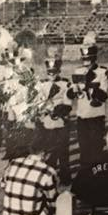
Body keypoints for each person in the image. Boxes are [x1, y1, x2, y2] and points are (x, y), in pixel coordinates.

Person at [0, 130, 59, 215]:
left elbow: (1, 184)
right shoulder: (48, 171)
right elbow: (53, 203)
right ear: (45, 154)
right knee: (51, 200)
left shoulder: (14, 162)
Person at [67, 33, 108, 167]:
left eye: (89, 60)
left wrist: (89, 85)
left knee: (96, 150)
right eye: (84, 60)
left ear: (94, 58)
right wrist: (72, 91)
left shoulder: (103, 72)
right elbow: (72, 94)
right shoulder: (78, 70)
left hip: (96, 115)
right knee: (84, 150)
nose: (86, 63)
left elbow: (103, 95)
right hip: (82, 115)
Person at [34, 48, 73, 184]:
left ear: (59, 71)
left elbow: (68, 103)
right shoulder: (41, 84)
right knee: (48, 150)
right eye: (49, 73)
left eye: (54, 73)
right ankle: (49, 176)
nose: (52, 75)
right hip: (47, 121)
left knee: (63, 151)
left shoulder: (65, 83)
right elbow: (37, 102)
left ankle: (65, 177)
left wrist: (60, 110)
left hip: (61, 121)